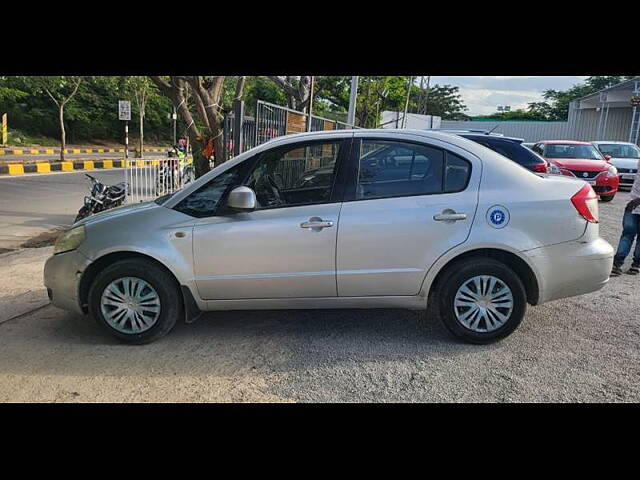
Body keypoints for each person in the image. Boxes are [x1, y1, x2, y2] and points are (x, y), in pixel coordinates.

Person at [611, 159, 640, 276]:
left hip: (633, 203)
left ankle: (621, 264)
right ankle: (630, 264)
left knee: (628, 235)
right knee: (628, 234)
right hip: (633, 204)